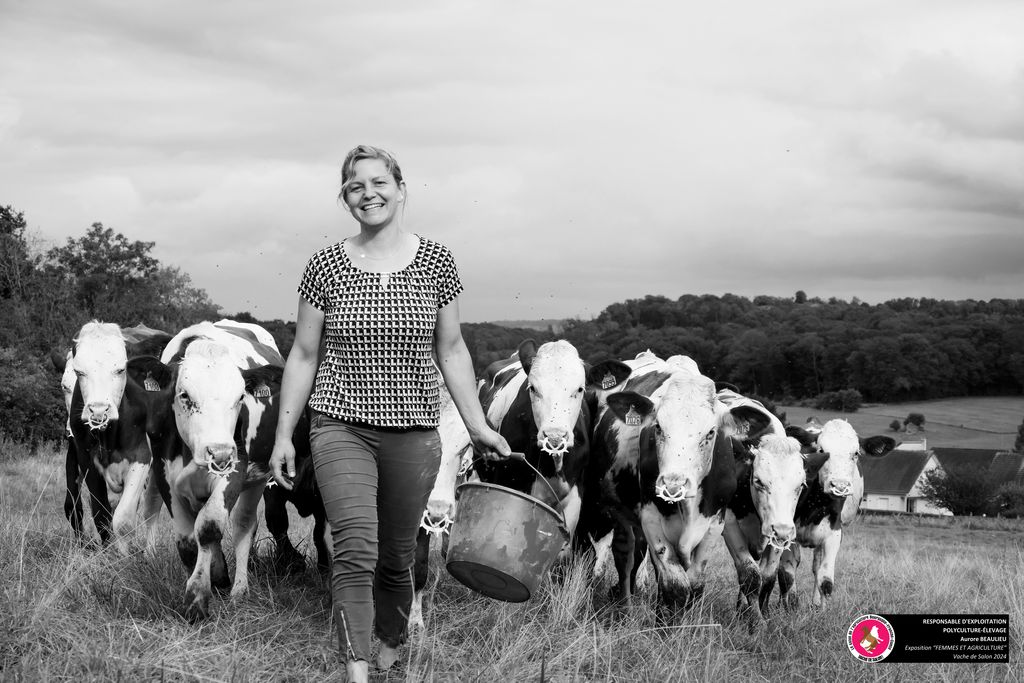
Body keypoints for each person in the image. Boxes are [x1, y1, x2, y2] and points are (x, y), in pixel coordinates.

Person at [269, 144, 510, 682]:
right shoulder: (325, 264)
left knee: (398, 557)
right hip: (339, 426)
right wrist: (285, 433)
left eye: (378, 183)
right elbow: (304, 354)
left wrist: (478, 426)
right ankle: (358, 673)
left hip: (415, 433)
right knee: (355, 547)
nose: (368, 194)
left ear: (401, 189)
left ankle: (388, 655)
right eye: (355, 186)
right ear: (345, 198)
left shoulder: (435, 261)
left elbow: (451, 349)